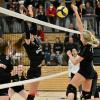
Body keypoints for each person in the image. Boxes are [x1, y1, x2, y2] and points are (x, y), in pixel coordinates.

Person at [66, 4, 99, 100]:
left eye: (81, 36)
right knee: (86, 95)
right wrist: (76, 12)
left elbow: (75, 62)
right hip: (90, 71)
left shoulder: (85, 49)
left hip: (85, 71)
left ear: (84, 39)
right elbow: (80, 26)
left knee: (71, 88)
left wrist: (69, 55)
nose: (80, 36)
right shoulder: (88, 44)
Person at [23, 30, 44, 100]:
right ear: (27, 39)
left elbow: (34, 28)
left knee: (33, 92)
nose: (32, 36)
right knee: (31, 93)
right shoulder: (28, 45)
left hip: (38, 69)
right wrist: (24, 21)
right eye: (30, 36)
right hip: (34, 70)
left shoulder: (36, 43)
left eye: (32, 35)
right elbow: (27, 35)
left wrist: (33, 19)